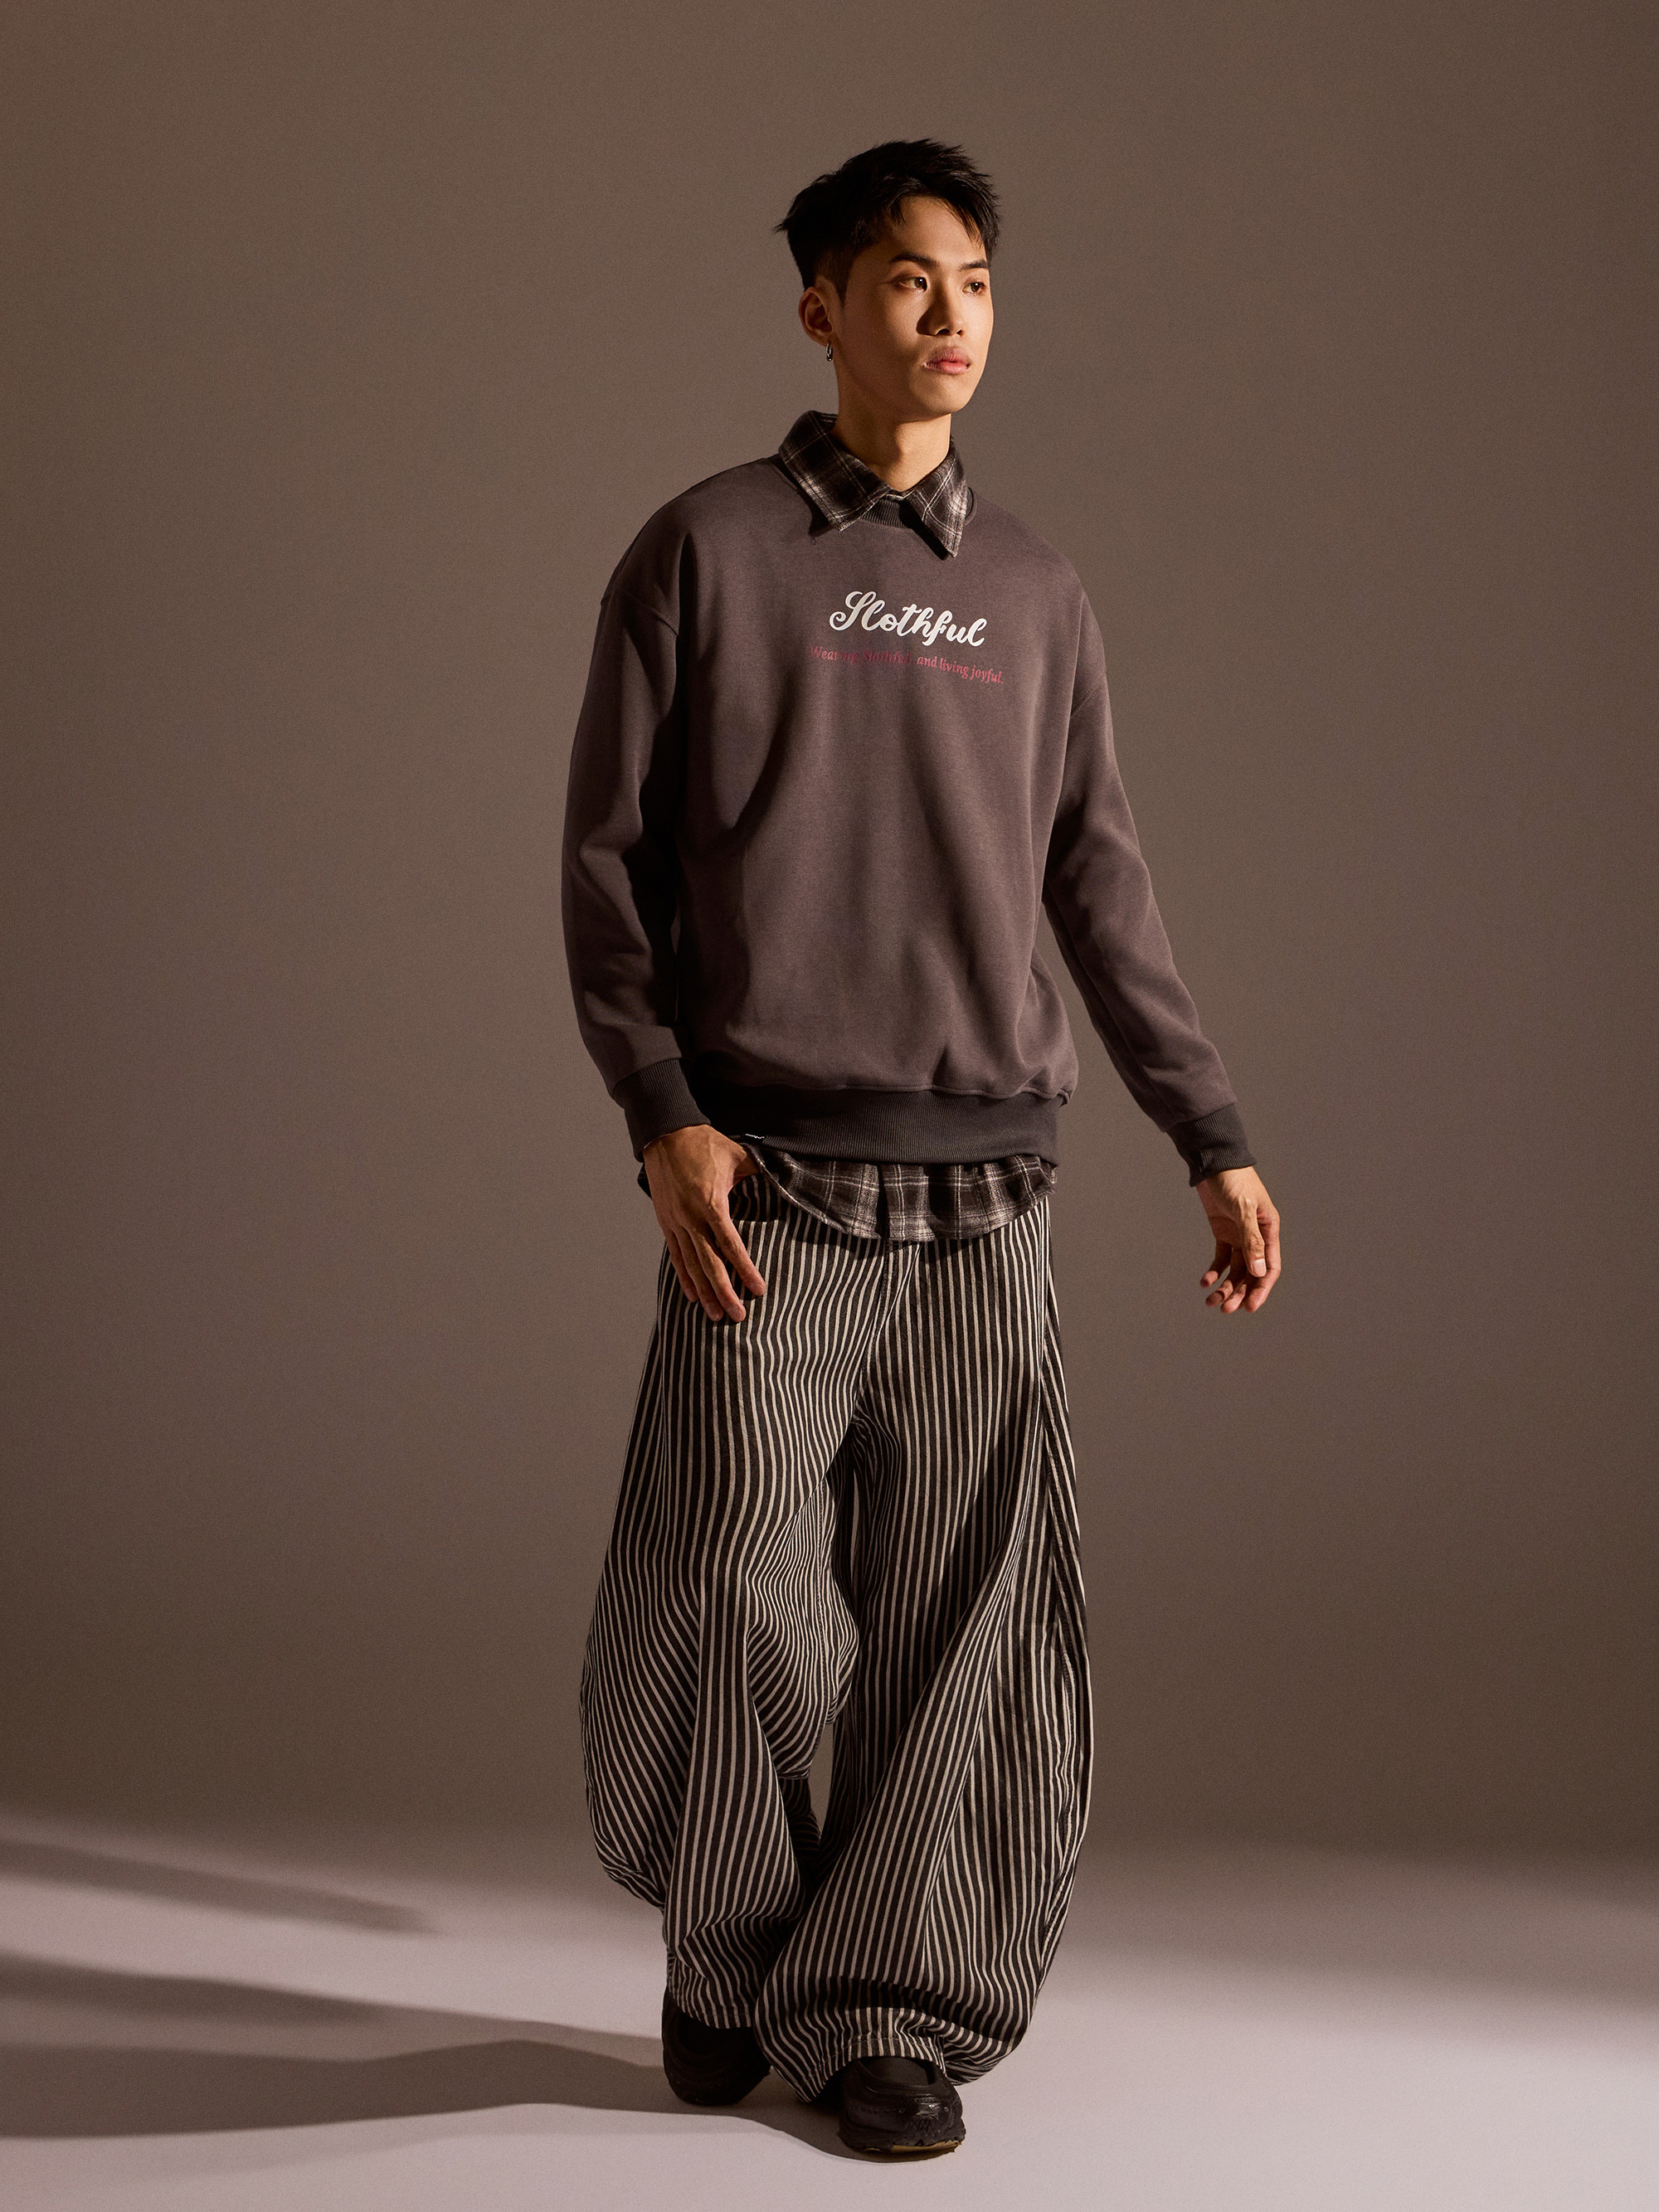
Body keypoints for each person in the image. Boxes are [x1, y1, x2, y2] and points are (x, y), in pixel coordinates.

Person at [561, 136, 1282, 2159]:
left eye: (972, 279)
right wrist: (662, 1112)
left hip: (988, 1188)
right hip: (767, 1180)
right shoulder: (702, 551)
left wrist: (1207, 1129)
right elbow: (607, 865)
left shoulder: (1035, 591)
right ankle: (730, 1953)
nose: (948, 313)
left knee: (965, 1618)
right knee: (730, 1574)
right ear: (820, 309)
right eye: (904, 277)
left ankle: (884, 2003)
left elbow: (1101, 885)